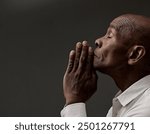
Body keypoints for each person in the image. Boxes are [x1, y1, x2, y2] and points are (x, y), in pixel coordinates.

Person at [61, 14, 150, 117]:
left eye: (109, 35)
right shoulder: (123, 103)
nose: (98, 41)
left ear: (135, 54)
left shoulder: (146, 108)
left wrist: (74, 101)